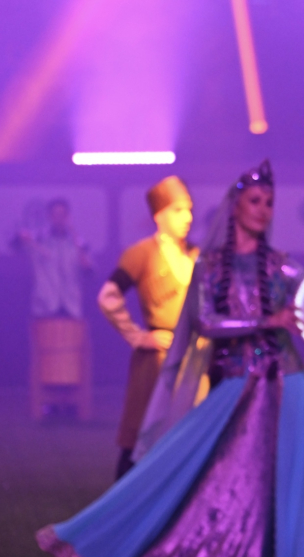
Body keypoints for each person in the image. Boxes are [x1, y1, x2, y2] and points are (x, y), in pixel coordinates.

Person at [37, 161, 304, 557]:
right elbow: (207, 324)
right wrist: (265, 321)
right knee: (218, 485)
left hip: (289, 387)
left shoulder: (282, 265)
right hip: (236, 388)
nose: (263, 209)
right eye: (255, 201)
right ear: (235, 206)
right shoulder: (210, 266)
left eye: (269, 202)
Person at [99, 176, 200, 478]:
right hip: (158, 359)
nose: (187, 217)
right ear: (160, 215)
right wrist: (138, 337)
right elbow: (108, 296)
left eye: (189, 209)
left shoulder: (197, 255)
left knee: (192, 434)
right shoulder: (142, 253)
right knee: (142, 433)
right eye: (178, 210)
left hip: (195, 359)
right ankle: (127, 498)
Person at [15, 198, 92, 319]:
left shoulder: (78, 243)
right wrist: (21, 237)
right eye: (55, 214)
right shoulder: (38, 239)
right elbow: (15, 245)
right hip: (44, 306)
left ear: (68, 216)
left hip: (71, 306)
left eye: (63, 214)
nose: (59, 218)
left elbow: (90, 271)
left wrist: (85, 263)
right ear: (49, 216)